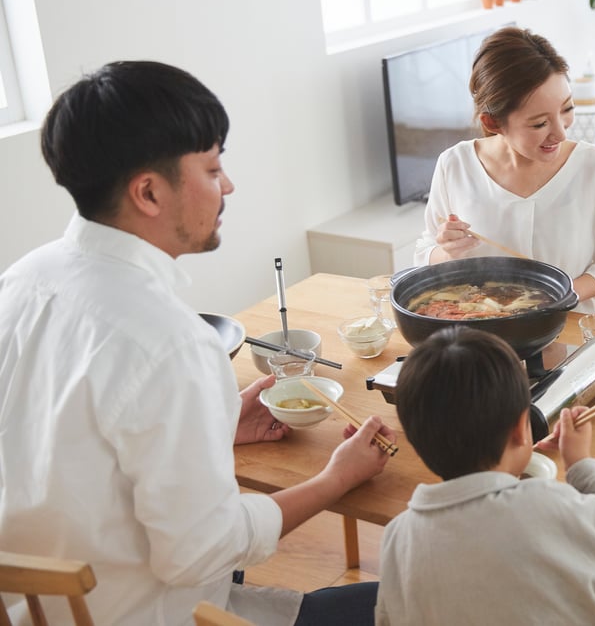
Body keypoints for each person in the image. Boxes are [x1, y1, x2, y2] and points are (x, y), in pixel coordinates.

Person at [0, 61, 396, 626]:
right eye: (212, 168)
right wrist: (335, 479)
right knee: (419, 595)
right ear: (148, 192)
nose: (228, 184)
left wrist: (216, 428)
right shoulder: (172, 343)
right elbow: (201, 551)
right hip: (149, 614)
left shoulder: (21, 281)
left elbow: (64, 446)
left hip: (36, 610)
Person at [375, 326, 595, 624]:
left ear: (416, 440)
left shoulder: (397, 538)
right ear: (521, 428)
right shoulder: (549, 506)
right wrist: (580, 463)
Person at [414, 26, 595, 313]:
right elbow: (424, 252)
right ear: (493, 123)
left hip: (564, 334)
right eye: (540, 124)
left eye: (567, 109)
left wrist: (555, 299)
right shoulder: (455, 165)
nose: (561, 133)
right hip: (479, 335)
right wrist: (447, 251)